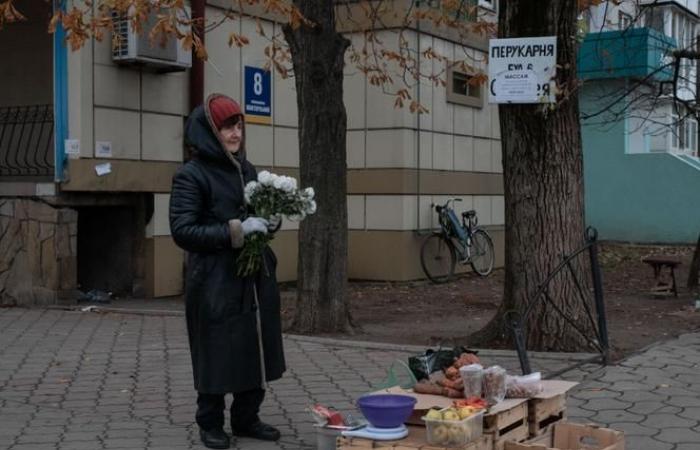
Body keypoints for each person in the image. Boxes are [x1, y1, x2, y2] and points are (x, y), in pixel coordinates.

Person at [169, 94, 285, 449]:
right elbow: (183, 230)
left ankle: (247, 417)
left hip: (250, 279)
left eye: (238, 125)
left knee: (253, 346)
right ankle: (210, 422)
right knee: (216, 351)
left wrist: (268, 222)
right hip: (214, 281)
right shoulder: (191, 175)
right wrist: (237, 230)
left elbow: (256, 215)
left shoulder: (245, 169)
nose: (235, 133)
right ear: (209, 131)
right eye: (226, 127)